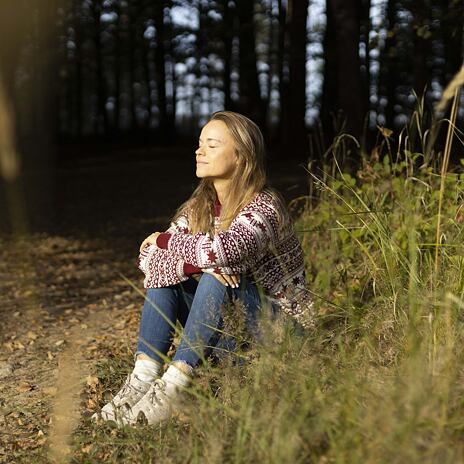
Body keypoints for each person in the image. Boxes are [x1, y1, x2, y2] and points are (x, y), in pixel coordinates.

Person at [93, 110, 314, 427]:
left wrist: (169, 243)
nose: (199, 151)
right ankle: (143, 378)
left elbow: (225, 249)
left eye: (211, 145)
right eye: (199, 144)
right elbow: (148, 261)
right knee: (168, 278)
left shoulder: (265, 206)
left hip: (280, 335)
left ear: (240, 156)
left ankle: (173, 388)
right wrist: (190, 260)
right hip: (228, 337)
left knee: (216, 279)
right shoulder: (196, 208)